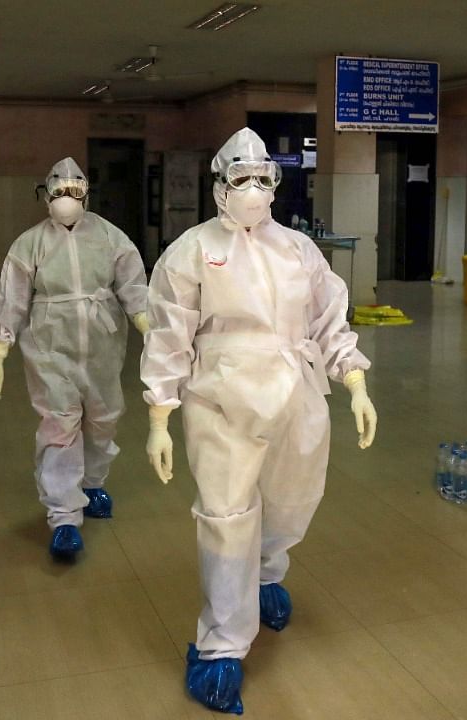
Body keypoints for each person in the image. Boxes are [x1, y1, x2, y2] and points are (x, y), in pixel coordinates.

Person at [140, 128, 377, 714]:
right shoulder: (190, 251)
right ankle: (220, 648)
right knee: (226, 514)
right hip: (219, 398)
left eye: (262, 178)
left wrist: (356, 382)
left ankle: (267, 575)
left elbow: (329, 320)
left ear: (276, 183)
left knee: (293, 498)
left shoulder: (299, 250)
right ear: (218, 185)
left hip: (298, 391)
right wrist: (158, 414)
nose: (251, 188)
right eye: (239, 177)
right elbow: (169, 336)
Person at [0, 157, 149, 561]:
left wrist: (152, 332)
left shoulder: (111, 237)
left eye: (75, 192)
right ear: (46, 196)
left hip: (102, 343)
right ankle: (63, 517)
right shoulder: (30, 243)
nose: (67, 199)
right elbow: (13, 298)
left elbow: (133, 286)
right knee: (59, 424)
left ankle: (92, 484)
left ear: (86, 195)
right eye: (59, 192)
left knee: (103, 418)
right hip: (49, 343)